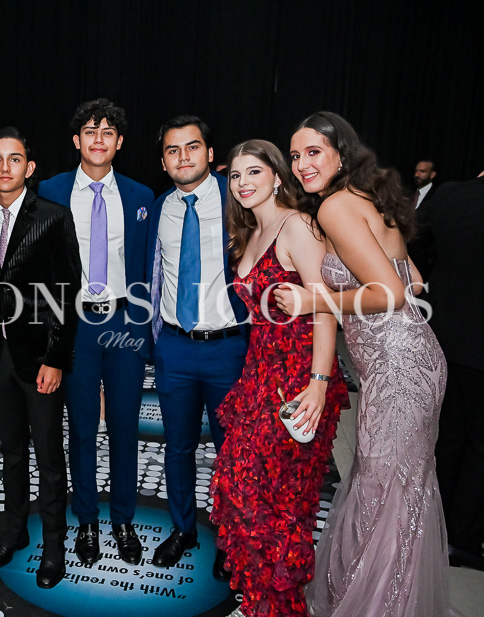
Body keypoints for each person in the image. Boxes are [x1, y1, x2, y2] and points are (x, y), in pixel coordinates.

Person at [275, 111, 459, 617]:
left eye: (314, 152)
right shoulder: (368, 198)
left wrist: (313, 300)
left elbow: (391, 293)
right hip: (411, 360)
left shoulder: (335, 207)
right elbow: (413, 278)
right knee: (394, 487)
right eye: (295, 155)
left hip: (399, 370)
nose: (301, 164)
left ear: (341, 153)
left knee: (385, 488)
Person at [208, 140, 349, 617]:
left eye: (254, 171)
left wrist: (318, 383)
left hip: (297, 380)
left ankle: (280, 606)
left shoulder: (298, 225)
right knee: (241, 490)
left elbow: (324, 308)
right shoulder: (250, 231)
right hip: (259, 375)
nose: (243, 182)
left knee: (277, 502)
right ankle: (260, 600)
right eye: (235, 175)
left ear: (276, 176)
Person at [0, 127, 81, 589]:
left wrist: (56, 358)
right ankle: (14, 533)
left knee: (49, 456)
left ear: (29, 168)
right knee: (11, 452)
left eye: (15, 159)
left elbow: (67, 292)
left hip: (39, 358)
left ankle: (54, 546)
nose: (5, 167)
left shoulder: (53, 217)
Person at [38, 98, 153, 565]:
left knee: (125, 427)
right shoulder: (50, 190)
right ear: (76, 140)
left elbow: (148, 266)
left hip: (124, 321)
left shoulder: (142, 196)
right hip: (76, 324)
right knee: (82, 429)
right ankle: (86, 520)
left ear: (119, 142)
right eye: (90, 131)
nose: (98, 139)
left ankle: (123, 520)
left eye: (107, 132)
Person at [145, 115, 249, 572]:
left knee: (232, 450)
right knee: (178, 446)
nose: (182, 157)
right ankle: (183, 528)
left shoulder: (238, 199)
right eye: (172, 150)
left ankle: (231, 538)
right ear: (163, 161)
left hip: (229, 348)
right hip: (175, 347)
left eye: (191, 147)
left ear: (209, 153)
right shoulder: (159, 208)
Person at [414, 171, 484, 571]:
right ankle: (462, 537)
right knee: (479, 445)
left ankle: (434, 527)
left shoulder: (449, 195)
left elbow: (415, 246)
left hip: (443, 333)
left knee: (449, 435)